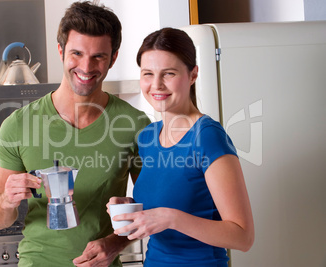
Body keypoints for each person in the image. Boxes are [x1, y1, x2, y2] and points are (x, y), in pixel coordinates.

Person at [0, 1, 150, 266]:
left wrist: (115, 243)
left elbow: (151, 207)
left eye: (98, 56)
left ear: (114, 58)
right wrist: (6, 200)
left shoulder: (135, 124)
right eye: (77, 54)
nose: (86, 67)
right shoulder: (18, 125)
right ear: (61, 51)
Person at [107, 27, 254, 266]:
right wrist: (131, 209)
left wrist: (171, 217)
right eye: (147, 74)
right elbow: (167, 200)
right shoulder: (147, 138)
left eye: (169, 74)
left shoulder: (207, 137)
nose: (156, 85)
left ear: (193, 74)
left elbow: (243, 237)